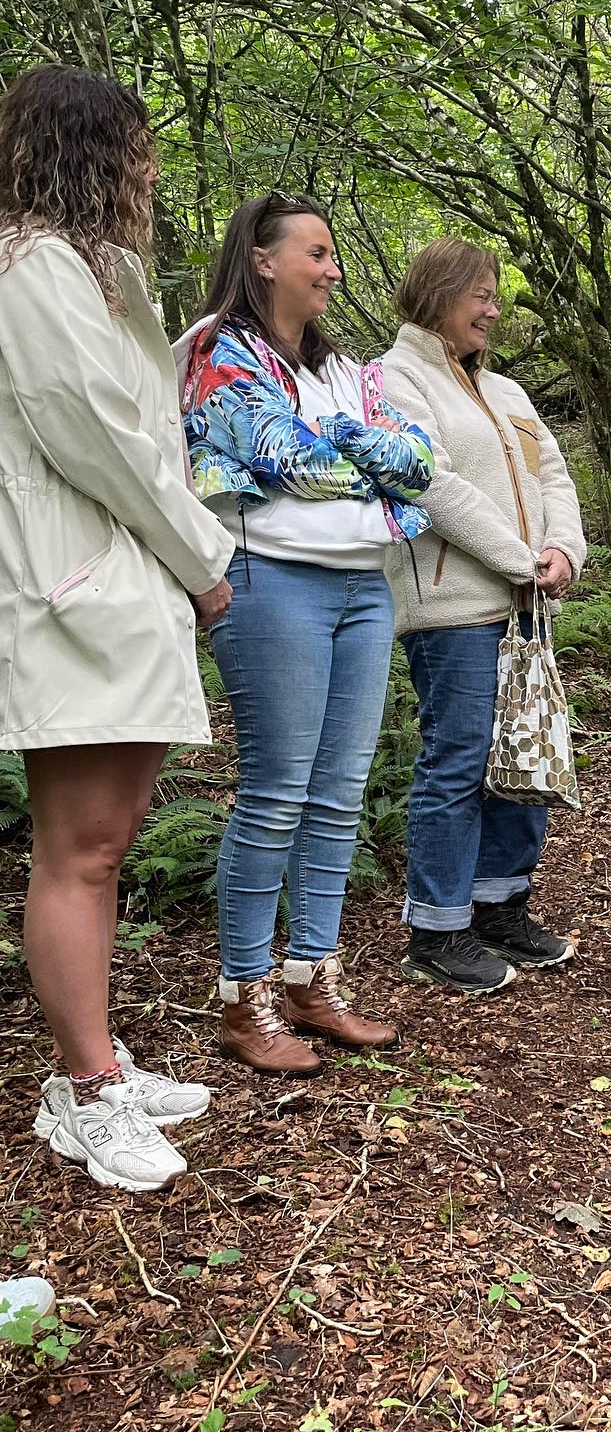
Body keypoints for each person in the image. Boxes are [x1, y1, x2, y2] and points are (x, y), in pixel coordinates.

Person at [0, 65, 234, 1192]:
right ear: (88, 150)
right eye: (135, 148)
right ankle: (85, 1092)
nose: (148, 169)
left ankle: (91, 1068)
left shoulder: (106, 274)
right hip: (74, 587)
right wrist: (204, 559)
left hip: (121, 586)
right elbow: (95, 436)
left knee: (111, 831)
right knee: (80, 847)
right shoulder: (35, 265)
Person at [179, 193, 434, 1075]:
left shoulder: (345, 369)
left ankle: (311, 981)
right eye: (316, 252)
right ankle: (243, 1000)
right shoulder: (218, 350)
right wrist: (358, 453)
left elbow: (420, 462)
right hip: (271, 582)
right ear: (262, 257)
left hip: (363, 589)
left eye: (332, 254)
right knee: (277, 792)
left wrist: (340, 443)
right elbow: (290, 462)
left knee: (339, 794)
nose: (332, 268)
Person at [379, 238, 587, 991]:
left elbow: (554, 472)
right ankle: (436, 928)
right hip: (455, 607)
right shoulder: (395, 379)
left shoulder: (505, 392)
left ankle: (500, 906)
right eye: (484, 297)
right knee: (460, 757)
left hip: (527, 604)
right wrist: (519, 557)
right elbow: (428, 484)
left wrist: (564, 547)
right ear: (440, 292)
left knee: (523, 757)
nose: (495, 310)